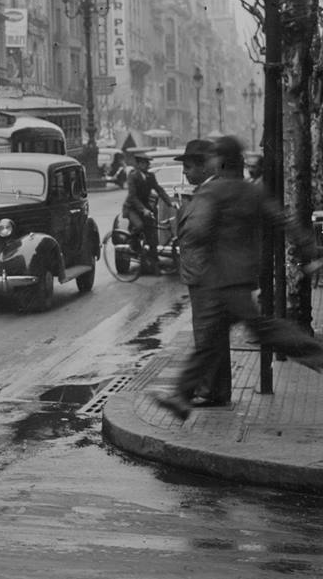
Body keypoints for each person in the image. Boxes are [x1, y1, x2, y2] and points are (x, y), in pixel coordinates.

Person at [156, 135, 323, 421]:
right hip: (242, 277)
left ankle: (318, 355)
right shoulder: (252, 192)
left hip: (219, 280)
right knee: (215, 339)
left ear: (220, 161)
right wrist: (310, 252)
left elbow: (198, 232)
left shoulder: (213, 193)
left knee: (254, 331)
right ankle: (181, 397)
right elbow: (284, 220)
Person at [173, 138, 229, 406]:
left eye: (188, 166)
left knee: (208, 335)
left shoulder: (213, 193)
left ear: (204, 167)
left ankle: (210, 391)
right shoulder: (206, 191)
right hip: (205, 274)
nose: (185, 172)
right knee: (209, 334)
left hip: (208, 275)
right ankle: (214, 389)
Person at [122, 150, 174, 274]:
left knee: (153, 234)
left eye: (147, 163)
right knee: (139, 225)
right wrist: (143, 209)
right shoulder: (132, 176)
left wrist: (170, 202)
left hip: (145, 208)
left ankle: (153, 262)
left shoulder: (151, 176)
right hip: (132, 208)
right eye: (144, 163)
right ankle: (133, 244)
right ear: (138, 164)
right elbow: (133, 196)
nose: (147, 165)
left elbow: (159, 189)